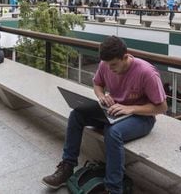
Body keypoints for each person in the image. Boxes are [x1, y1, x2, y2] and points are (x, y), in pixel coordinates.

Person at [42, 36, 168, 194]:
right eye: (107, 65)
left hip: (141, 118)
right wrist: (101, 96)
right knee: (76, 114)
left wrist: (132, 109)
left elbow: (162, 107)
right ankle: (67, 167)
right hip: (114, 111)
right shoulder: (106, 64)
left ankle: (114, 188)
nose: (109, 68)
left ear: (125, 56)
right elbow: (97, 84)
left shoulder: (146, 72)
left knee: (113, 132)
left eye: (114, 65)